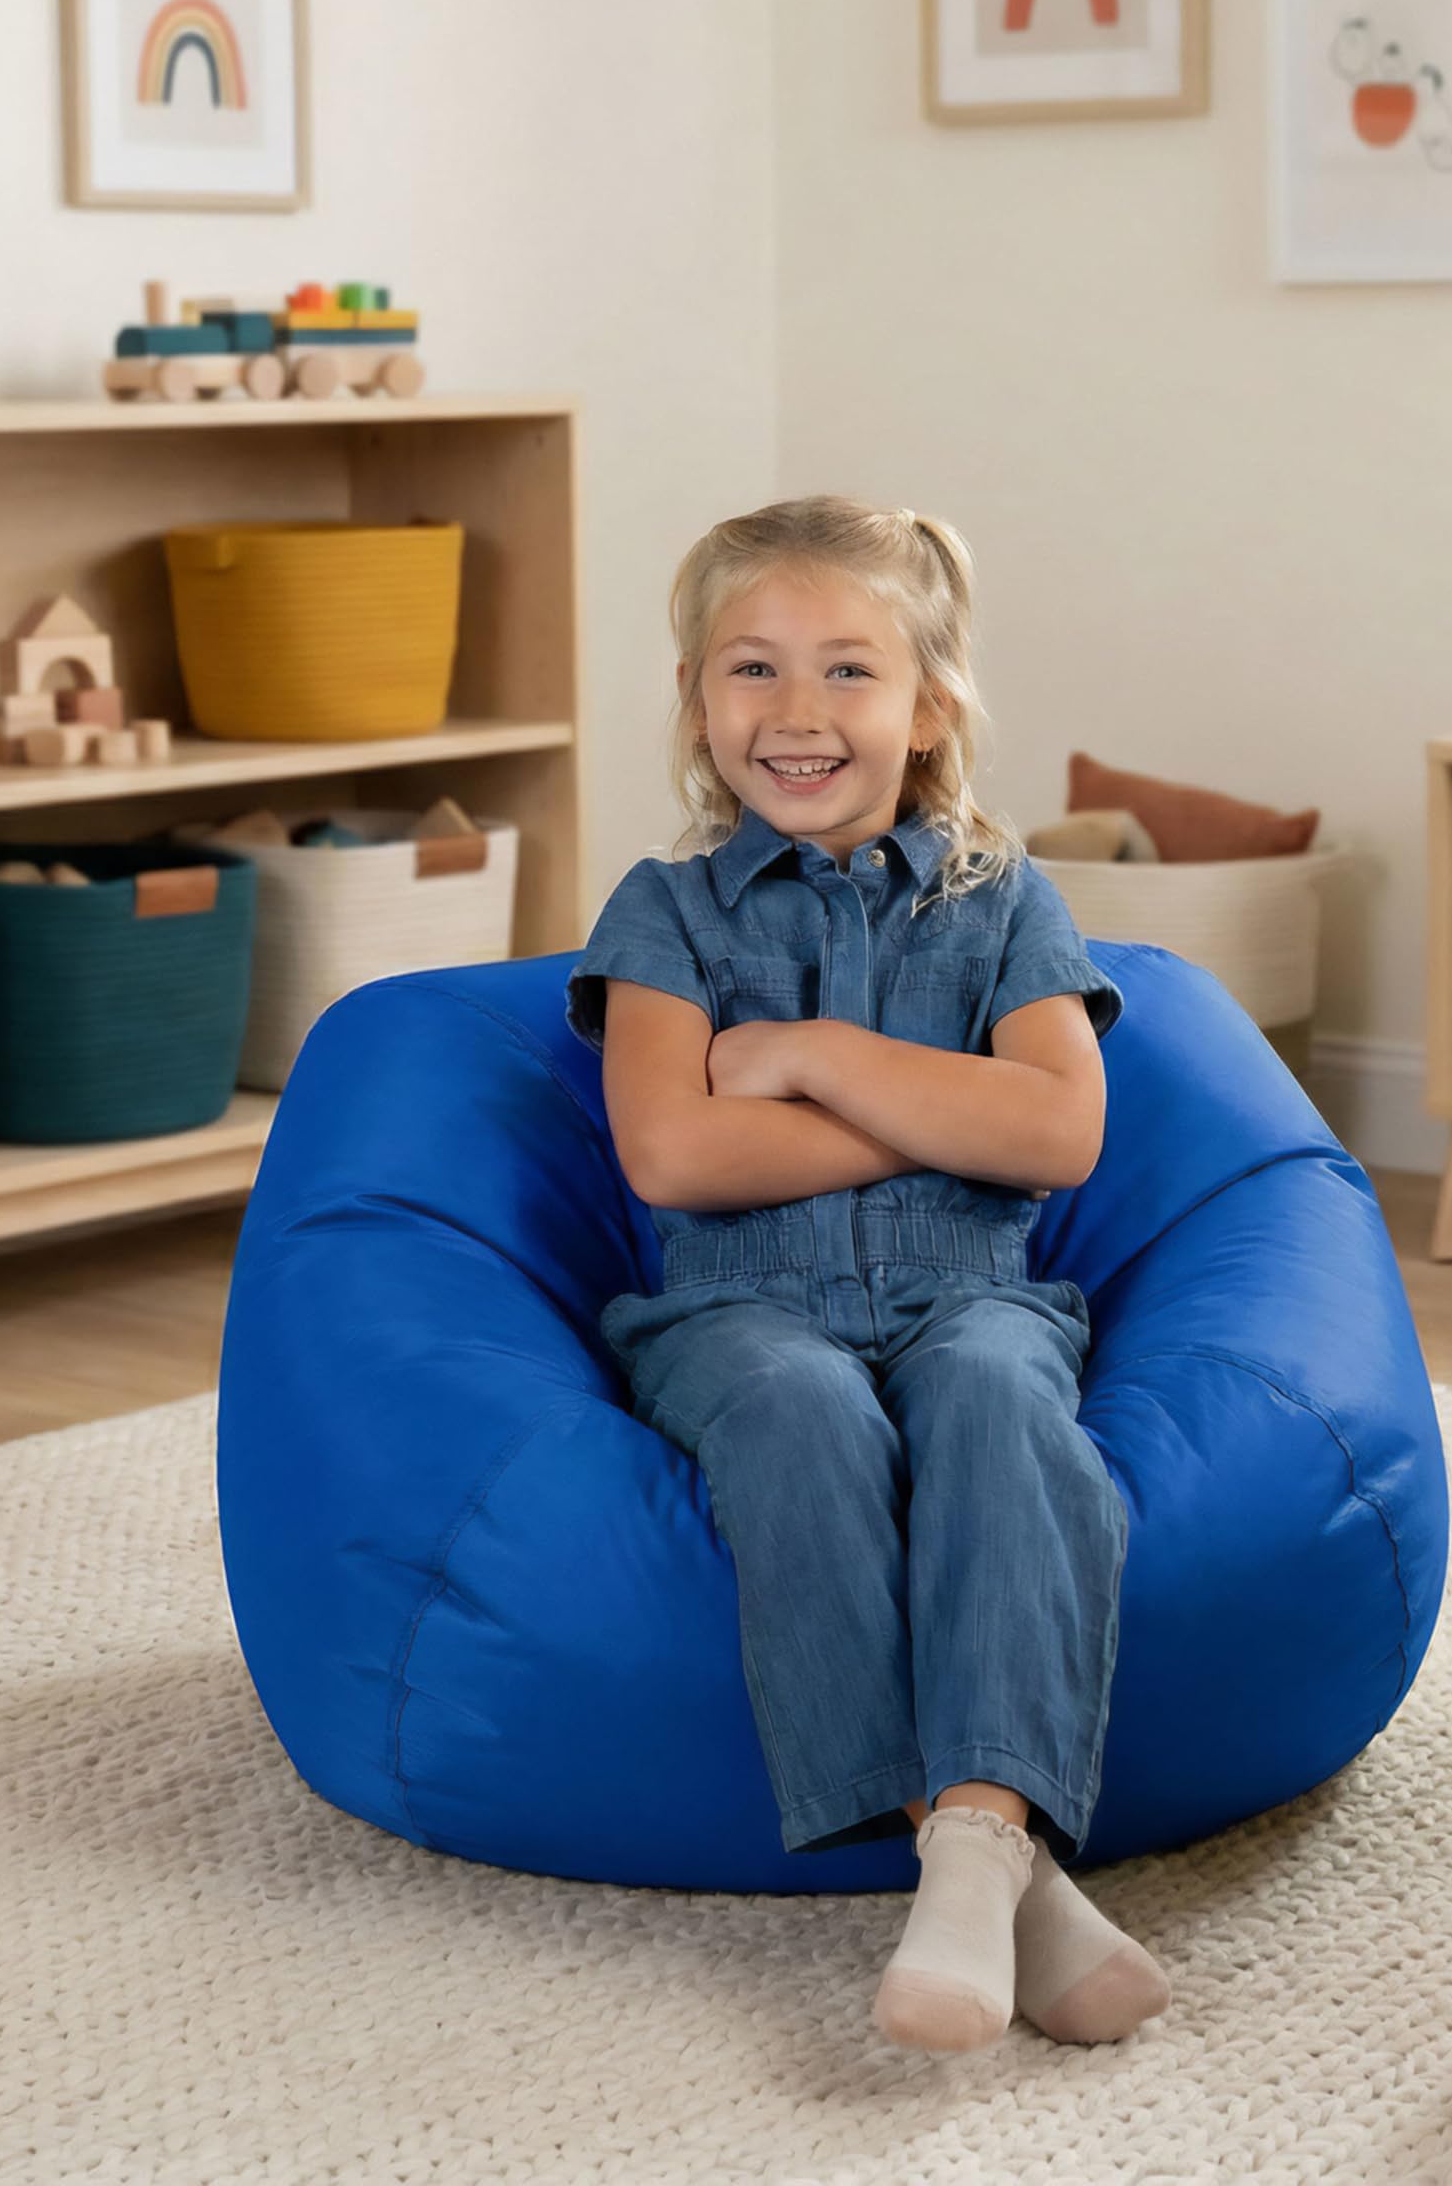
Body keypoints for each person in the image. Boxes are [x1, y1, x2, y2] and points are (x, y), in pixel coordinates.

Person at [563, 495, 1171, 2056]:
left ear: (928, 705)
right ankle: (998, 1877)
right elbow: (674, 1159)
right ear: (698, 702)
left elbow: (1060, 1132)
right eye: (751, 669)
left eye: (848, 671)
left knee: (995, 1399)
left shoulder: (1004, 902)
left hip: (970, 1300)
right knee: (799, 1414)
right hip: (731, 1313)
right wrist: (935, 1117)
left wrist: (818, 1060)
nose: (799, 712)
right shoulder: (665, 911)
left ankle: (970, 1856)